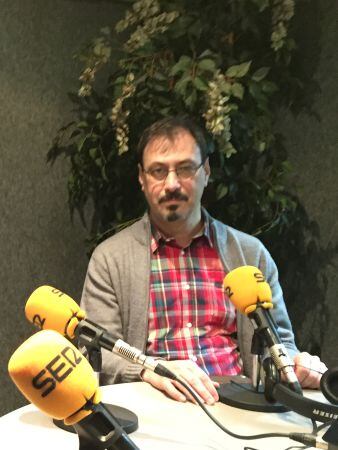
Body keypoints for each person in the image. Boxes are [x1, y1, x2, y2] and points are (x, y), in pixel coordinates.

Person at [80, 116, 327, 405]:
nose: (171, 184)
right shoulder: (111, 259)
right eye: (158, 171)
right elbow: (94, 351)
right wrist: (149, 368)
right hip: (153, 406)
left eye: (185, 168)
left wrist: (298, 364)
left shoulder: (250, 254)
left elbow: (280, 343)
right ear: (141, 179)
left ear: (206, 171)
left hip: (238, 406)